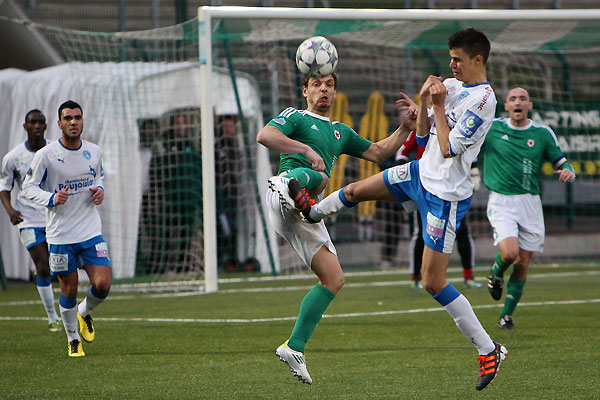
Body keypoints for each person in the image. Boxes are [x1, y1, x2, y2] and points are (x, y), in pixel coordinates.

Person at [292, 28, 507, 391]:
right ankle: (311, 213)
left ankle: (489, 349)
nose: (451, 65)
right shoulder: (451, 88)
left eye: (457, 59)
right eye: (450, 57)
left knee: (432, 282)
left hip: (446, 195)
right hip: (422, 173)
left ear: (478, 60)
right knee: (358, 189)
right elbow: (424, 138)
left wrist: (436, 106)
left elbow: (450, 147)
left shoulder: (484, 100)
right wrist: (421, 106)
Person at [257, 73, 415, 384]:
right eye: (316, 84)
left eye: (329, 84)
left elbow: (378, 153)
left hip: (305, 211)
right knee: (324, 179)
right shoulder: (296, 116)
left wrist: (405, 129)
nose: (324, 89)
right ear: (305, 90)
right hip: (281, 197)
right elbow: (265, 135)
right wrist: (304, 150)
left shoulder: (340, 132)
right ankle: (288, 187)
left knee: (334, 278)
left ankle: (294, 347)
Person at [22, 100, 111, 357]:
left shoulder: (94, 151)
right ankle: (73, 340)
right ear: (59, 123)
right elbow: (29, 187)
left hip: (90, 230)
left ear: (83, 121)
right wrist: (51, 198)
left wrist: (100, 190)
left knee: (103, 284)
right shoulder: (45, 155)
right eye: (68, 118)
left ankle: (84, 313)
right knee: (69, 288)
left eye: (77, 117)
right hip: (61, 234)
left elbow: (99, 177)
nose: (73, 122)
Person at [482, 87, 576, 329]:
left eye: (522, 99)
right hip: (502, 201)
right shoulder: (491, 128)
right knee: (509, 253)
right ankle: (495, 274)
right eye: (513, 98)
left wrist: (569, 170)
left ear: (530, 105)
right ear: (506, 106)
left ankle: (506, 314)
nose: (518, 102)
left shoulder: (543, 133)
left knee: (523, 264)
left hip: (530, 203)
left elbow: (561, 160)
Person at [397, 127, 482, 289]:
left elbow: (473, 154)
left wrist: (474, 172)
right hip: (425, 188)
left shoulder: (459, 127)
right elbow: (401, 153)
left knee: (462, 231)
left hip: (452, 188)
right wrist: (410, 175)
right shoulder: (423, 126)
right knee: (422, 233)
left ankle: (469, 276)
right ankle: (416, 277)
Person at [0, 109, 61, 332]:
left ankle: (67, 310)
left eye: (40, 122)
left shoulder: (55, 150)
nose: (36, 126)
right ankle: (52, 317)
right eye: (32, 122)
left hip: (55, 216)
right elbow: (4, 187)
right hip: (28, 218)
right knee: (43, 266)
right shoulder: (13, 157)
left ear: (46, 126)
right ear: (25, 127)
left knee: (59, 267)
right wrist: (10, 210)